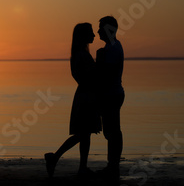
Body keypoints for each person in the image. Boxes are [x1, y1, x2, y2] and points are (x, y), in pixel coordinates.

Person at [44, 23, 101, 178]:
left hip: (84, 95)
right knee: (83, 134)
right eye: (91, 32)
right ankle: (54, 157)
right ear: (83, 35)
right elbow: (90, 76)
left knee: (85, 134)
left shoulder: (79, 54)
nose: (94, 35)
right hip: (86, 97)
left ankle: (82, 167)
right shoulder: (82, 55)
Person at [96, 16, 125, 182]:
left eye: (101, 27)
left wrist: (99, 60)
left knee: (112, 132)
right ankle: (112, 165)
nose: (98, 31)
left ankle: (113, 166)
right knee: (111, 131)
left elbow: (104, 75)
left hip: (112, 94)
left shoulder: (111, 49)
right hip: (114, 93)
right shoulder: (111, 47)